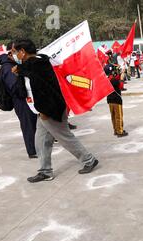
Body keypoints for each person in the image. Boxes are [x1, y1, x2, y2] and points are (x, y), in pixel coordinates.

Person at [11, 39, 99, 183]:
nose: (13, 55)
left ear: (23, 52)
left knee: (65, 137)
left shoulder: (38, 64)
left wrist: (45, 110)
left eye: (14, 52)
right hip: (41, 110)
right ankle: (45, 171)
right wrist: (19, 72)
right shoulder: (30, 66)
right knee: (40, 141)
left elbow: (42, 85)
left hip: (50, 108)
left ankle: (89, 160)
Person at [0, 42, 37, 158]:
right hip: (20, 100)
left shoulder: (13, 64)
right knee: (28, 124)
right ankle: (32, 150)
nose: (19, 54)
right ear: (10, 53)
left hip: (25, 98)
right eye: (16, 52)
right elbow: (14, 87)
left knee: (32, 123)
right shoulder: (8, 67)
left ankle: (36, 146)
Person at [104, 63, 128, 138]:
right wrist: (121, 78)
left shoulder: (107, 78)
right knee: (119, 116)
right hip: (116, 100)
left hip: (110, 100)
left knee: (113, 116)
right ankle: (120, 131)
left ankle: (115, 130)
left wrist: (120, 74)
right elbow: (120, 86)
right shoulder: (114, 80)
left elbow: (114, 78)